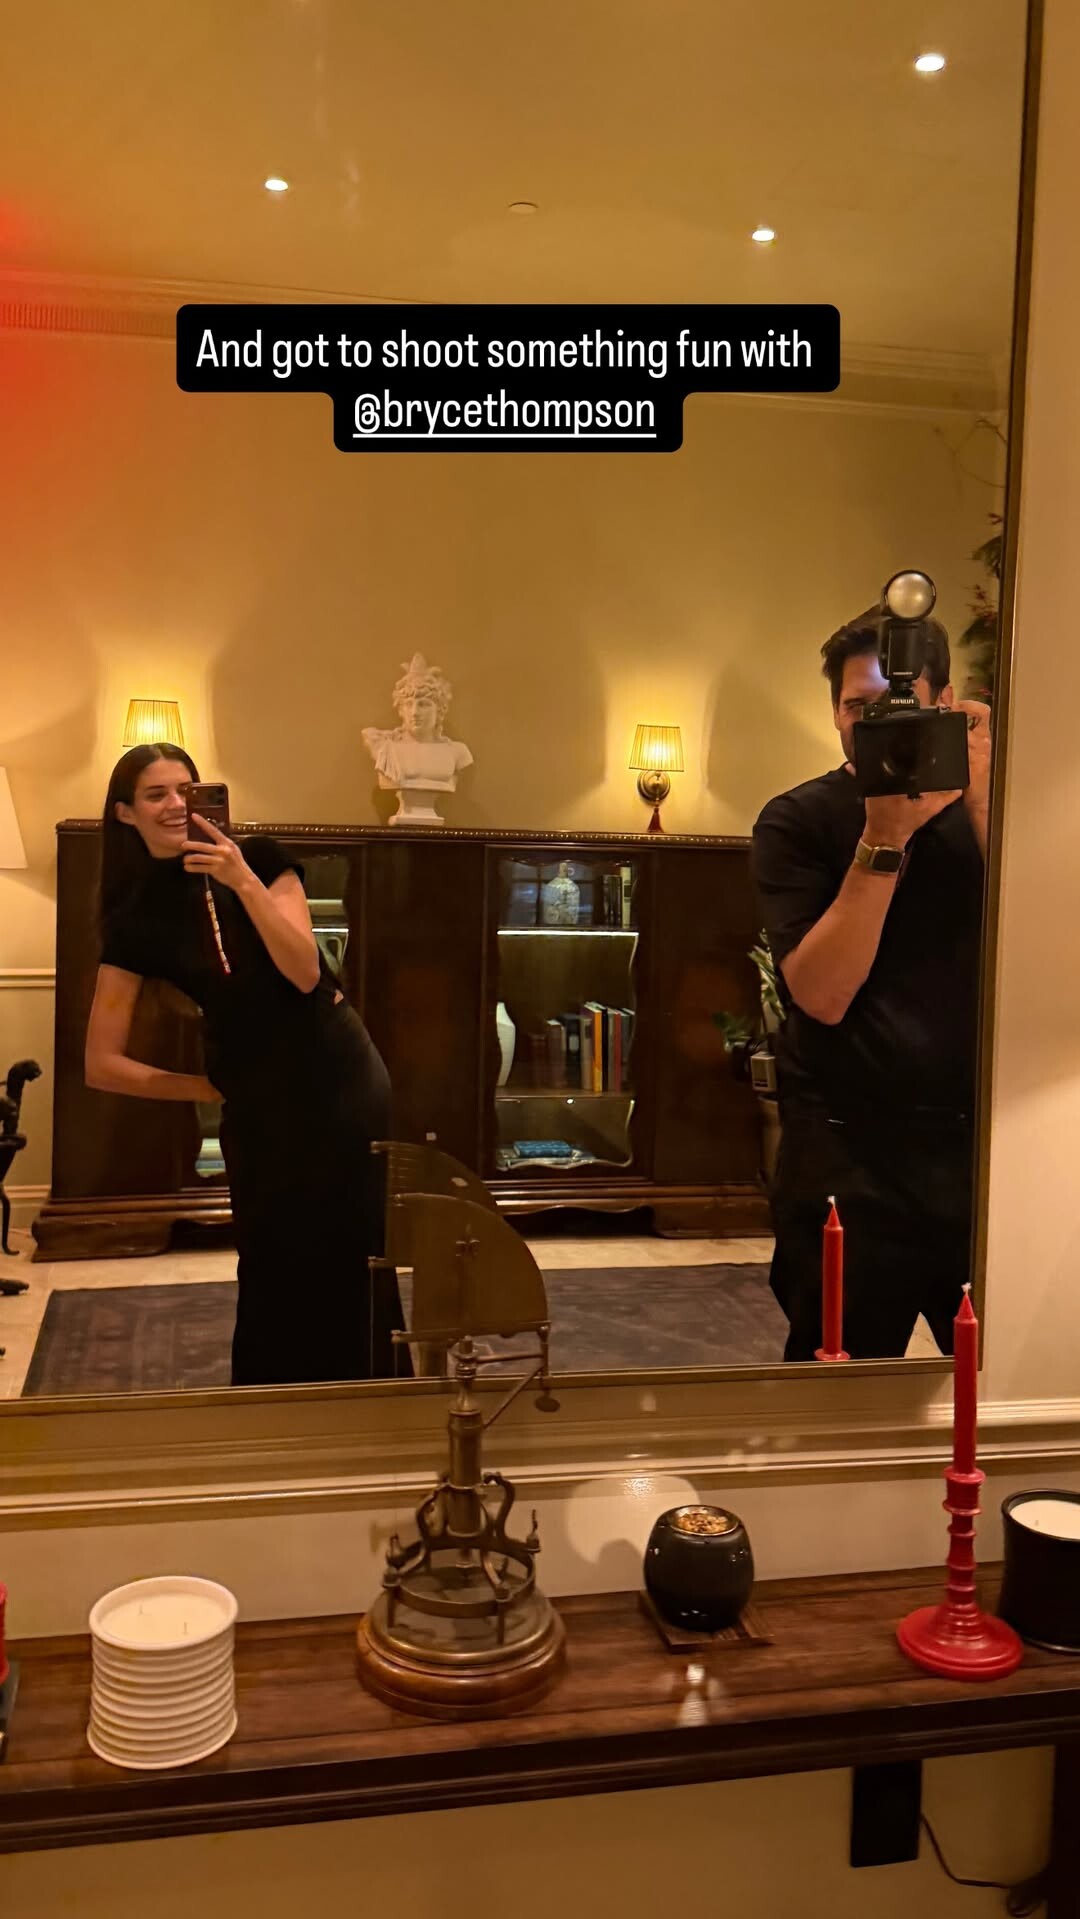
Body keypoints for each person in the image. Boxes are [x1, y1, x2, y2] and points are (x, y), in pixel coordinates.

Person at [85, 742, 408, 1387]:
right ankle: (269, 1404)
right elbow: (102, 1063)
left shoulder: (259, 858)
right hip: (258, 1102)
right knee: (269, 1255)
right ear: (125, 813)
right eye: (155, 794)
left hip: (337, 1076)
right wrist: (208, 1087)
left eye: (186, 790)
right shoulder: (135, 917)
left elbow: (303, 970)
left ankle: (370, 1397)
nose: (176, 805)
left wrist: (241, 880)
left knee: (353, 1246)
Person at [751, 604, 991, 1361]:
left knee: (1003, 1384)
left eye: (901, 702)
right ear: (834, 714)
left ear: (946, 704)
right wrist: (883, 836)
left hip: (982, 1150)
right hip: (846, 1155)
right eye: (859, 707)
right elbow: (822, 996)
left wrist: (987, 803)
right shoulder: (798, 820)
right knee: (837, 1391)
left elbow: (1047, 949)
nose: (878, 724)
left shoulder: (990, 811)